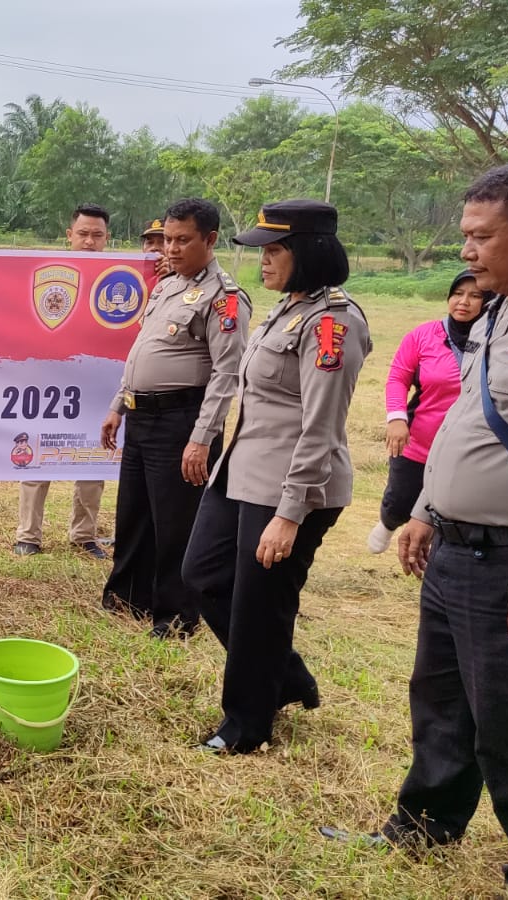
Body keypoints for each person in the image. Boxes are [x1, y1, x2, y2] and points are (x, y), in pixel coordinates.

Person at [328, 161, 508, 900]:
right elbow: (473, 420)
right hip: (457, 549)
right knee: (441, 701)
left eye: (481, 236)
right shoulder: (506, 308)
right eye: (464, 234)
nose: (466, 251)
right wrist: (425, 511)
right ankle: (426, 822)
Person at [181, 199, 371, 754]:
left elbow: (321, 428)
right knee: (202, 576)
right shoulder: (289, 308)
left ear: (309, 251)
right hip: (241, 471)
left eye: (275, 250)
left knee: (260, 606)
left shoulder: (333, 322)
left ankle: (245, 725)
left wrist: (290, 513)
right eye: (261, 249)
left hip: (292, 485)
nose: (262, 260)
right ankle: (283, 676)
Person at [100, 199, 248, 638]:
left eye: (183, 240)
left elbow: (226, 374)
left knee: (176, 523)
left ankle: (177, 614)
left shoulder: (225, 298)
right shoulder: (166, 287)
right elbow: (141, 353)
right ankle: (128, 596)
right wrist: (117, 405)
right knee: (134, 513)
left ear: (210, 239)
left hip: (183, 421)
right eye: (168, 239)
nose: (172, 248)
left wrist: (202, 438)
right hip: (142, 416)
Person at [15, 203, 113, 560]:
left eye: (97, 235)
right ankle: (28, 535)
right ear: (69, 235)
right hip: (47, 385)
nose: (89, 242)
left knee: (94, 459)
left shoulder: (120, 278)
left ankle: (84, 535)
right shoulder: (44, 273)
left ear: (107, 238)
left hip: (97, 388)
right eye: (83, 234)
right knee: (35, 458)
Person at [365, 270, 486, 553]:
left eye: (475, 296)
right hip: (418, 441)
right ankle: (387, 522)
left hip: (468, 448)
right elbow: (398, 377)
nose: (464, 302)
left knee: (450, 510)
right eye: (458, 293)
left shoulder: (496, 339)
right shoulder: (423, 335)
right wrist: (396, 418)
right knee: (400, 500)